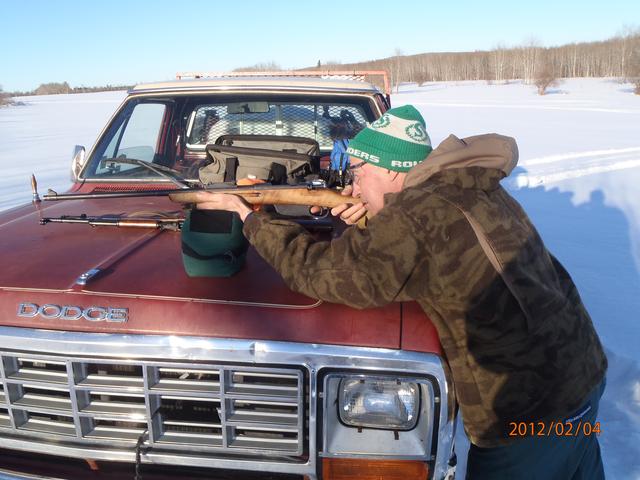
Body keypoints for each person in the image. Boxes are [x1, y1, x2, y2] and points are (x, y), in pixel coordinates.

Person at [193, 105, 608, 479]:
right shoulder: (466, 187)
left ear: (391, 170)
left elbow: (323, 274)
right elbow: (437, 249)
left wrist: (252, 219)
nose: (352, 184)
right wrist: (372, 221)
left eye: (358, 170)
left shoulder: (416, 216)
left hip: (529, 410)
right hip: (581, 376)